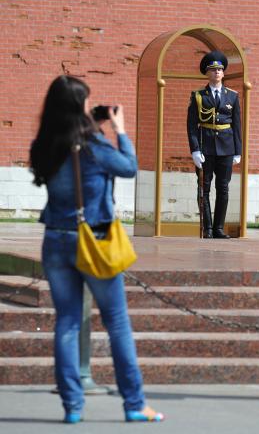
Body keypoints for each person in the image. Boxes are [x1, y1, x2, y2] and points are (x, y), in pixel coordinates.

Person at [29, 75, 164, 424]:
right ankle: (134, 403)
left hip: (56, 238)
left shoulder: (44, 144)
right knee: (116, 322)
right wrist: (118, 130)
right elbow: (129, 168)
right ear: (79, 106)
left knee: (68, 323)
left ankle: (72, 407)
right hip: (96, 239)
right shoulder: (92, 145)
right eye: (87, 102)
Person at [187, 50, 242, 238]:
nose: (217, 72)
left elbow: (237, 125)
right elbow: (192, 126)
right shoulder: (198, 96)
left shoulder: (233, 96)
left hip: (226, 148)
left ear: (224, 73)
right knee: (205, 187)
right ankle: (208, 228)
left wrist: (238, 151)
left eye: (220, 69)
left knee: (223, 188)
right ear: (207, 73)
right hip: (206, 146)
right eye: (213, 69)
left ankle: (219, 228)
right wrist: (195, 149)